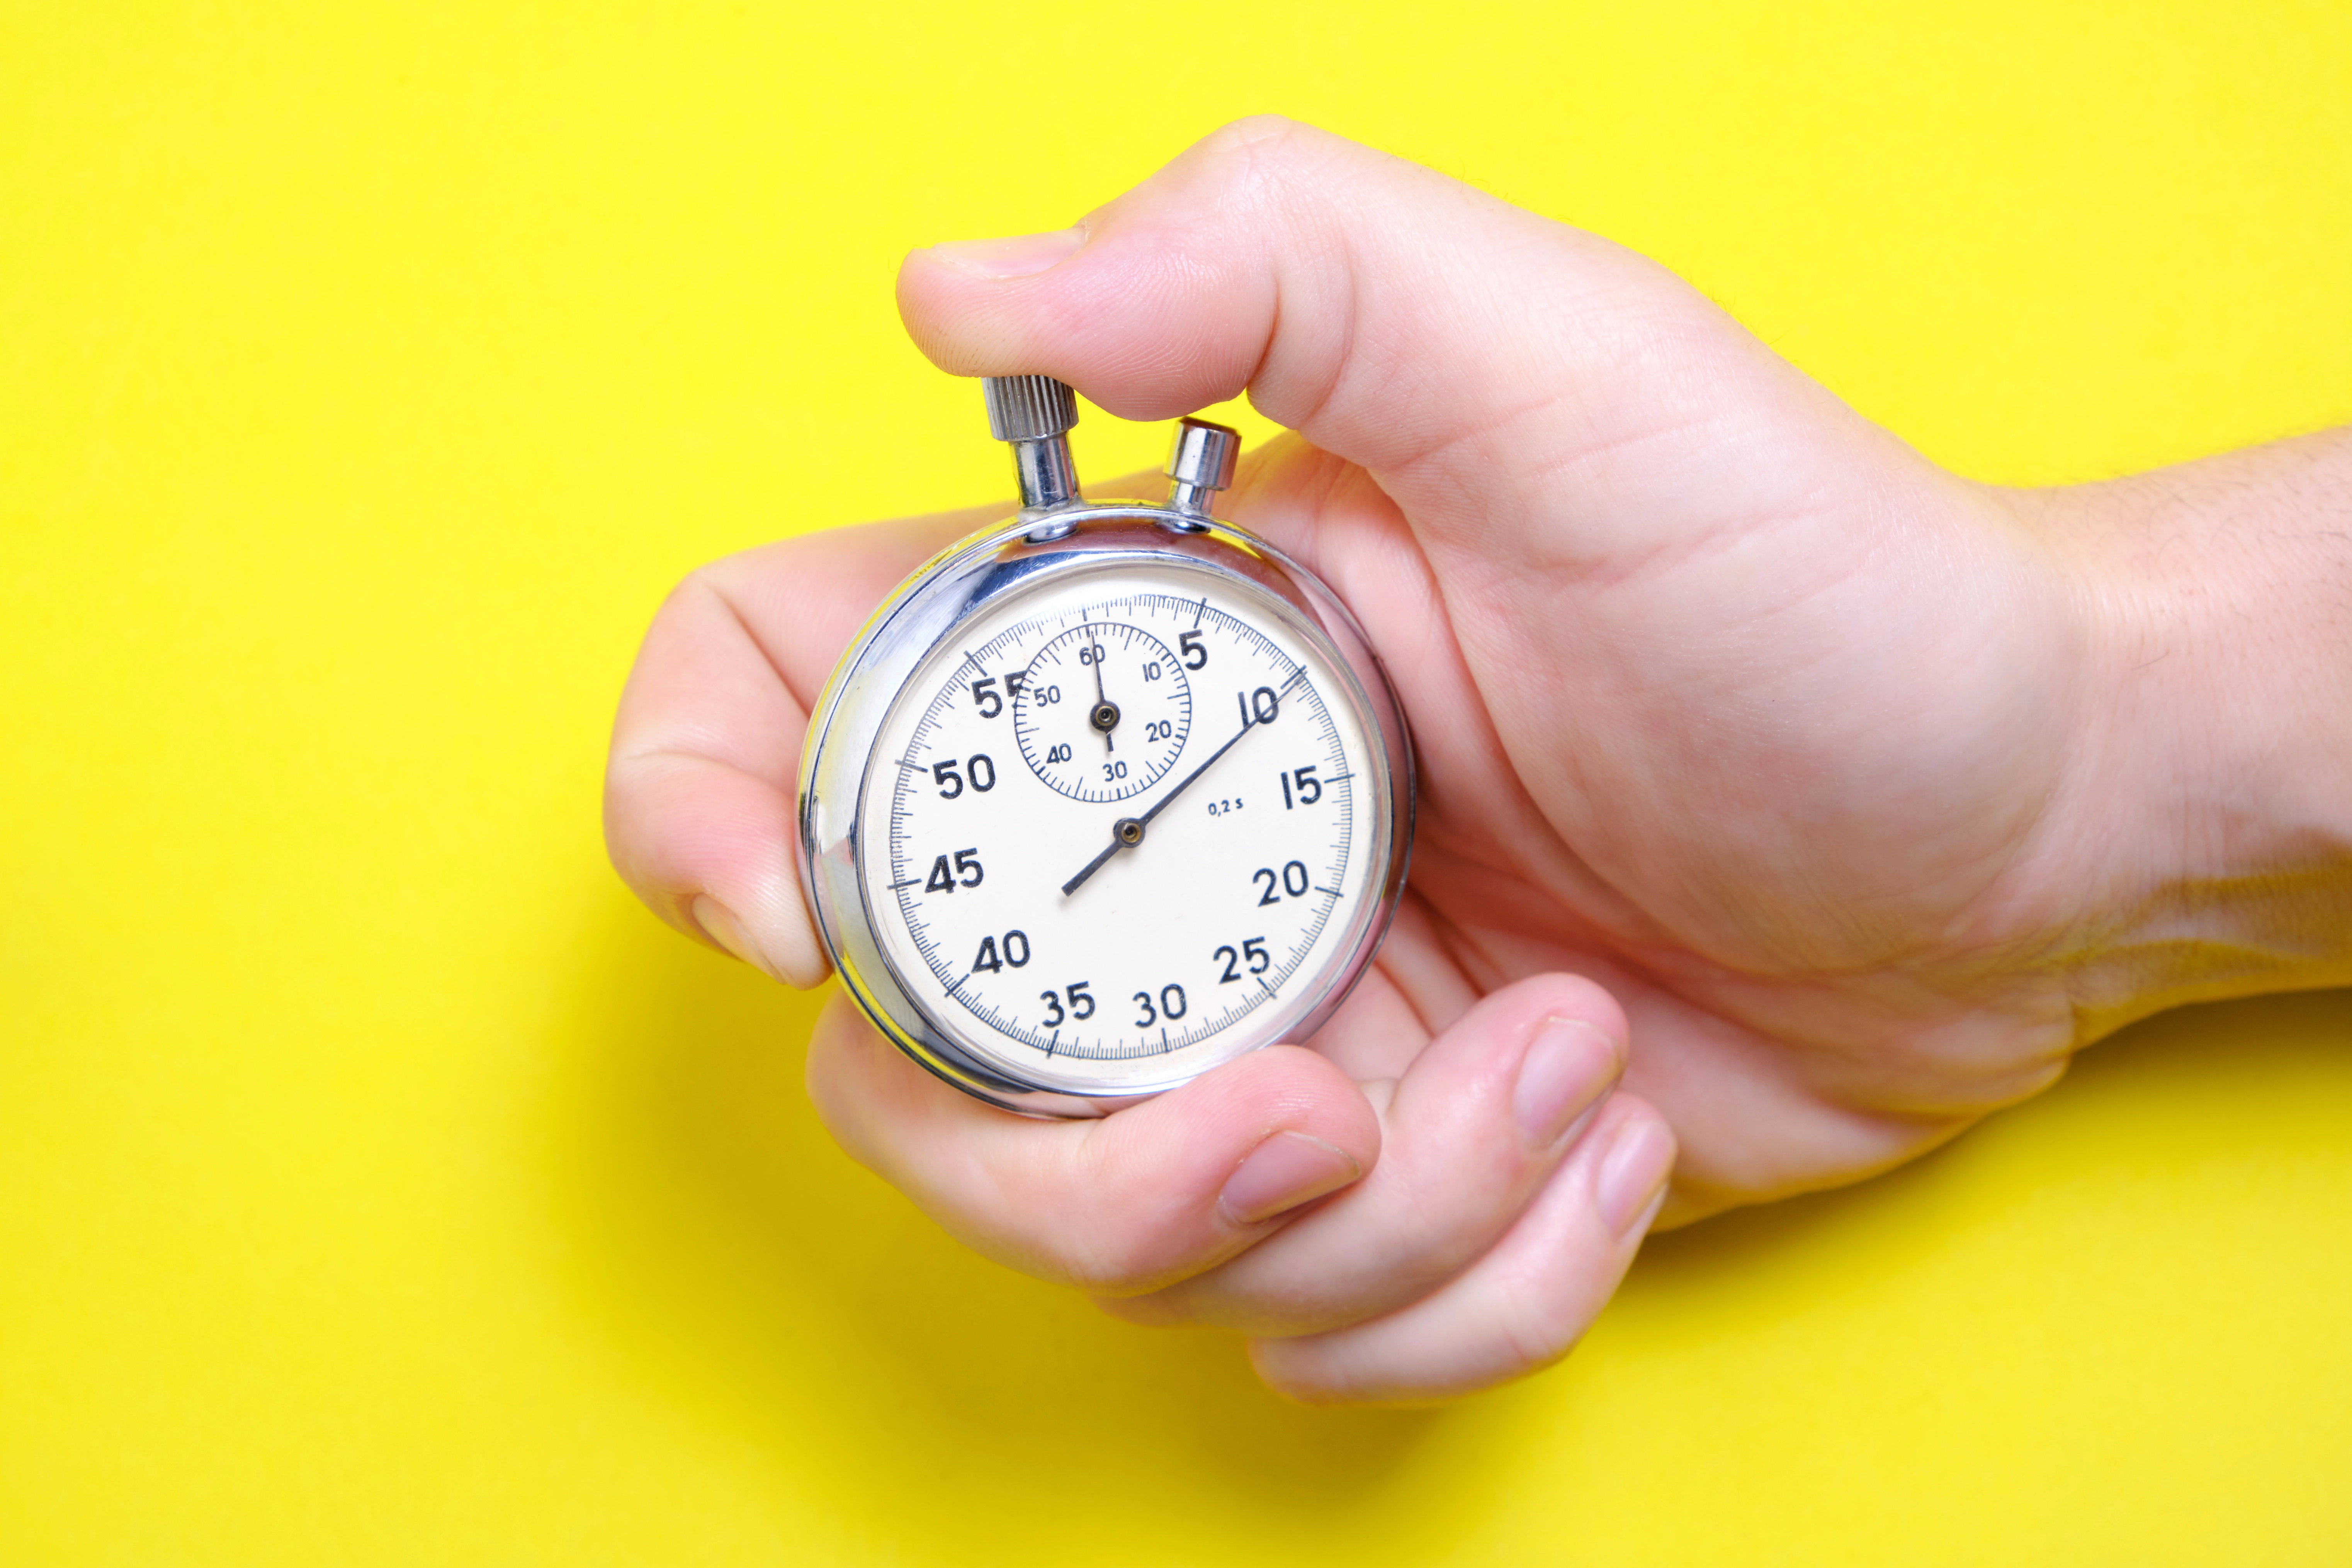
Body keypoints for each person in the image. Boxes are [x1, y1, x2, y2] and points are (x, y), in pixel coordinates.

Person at [603, 117, 2352, 1405]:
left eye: (1160, 768)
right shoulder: (1135, 707)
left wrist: (2080, 787)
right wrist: (2101, 792)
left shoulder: (1306, 674)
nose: (1126, 814)